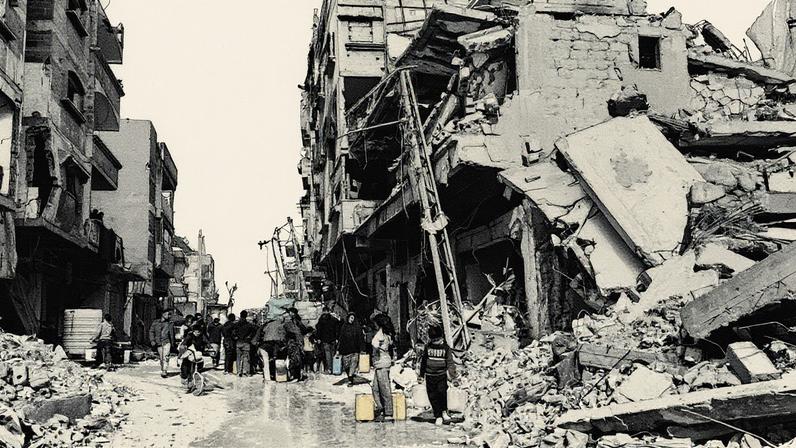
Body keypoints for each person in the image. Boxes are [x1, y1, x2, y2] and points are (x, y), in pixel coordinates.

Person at [418, 325, 457, 425]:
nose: (436, 342)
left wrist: (453, 377)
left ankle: (444, 411)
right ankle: (438, 415)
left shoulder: (446, 348)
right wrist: (421, 375)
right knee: (432, 396)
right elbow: (424, 361)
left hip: (441, 375)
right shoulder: (428, 347)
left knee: (442, 393)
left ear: (442, 338)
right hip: (430, 376)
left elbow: (450, 362)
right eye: (434, 340)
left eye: (438, 339)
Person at [370, 314, 395, 422]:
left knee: (384, 389)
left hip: (382, 364)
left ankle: (388, 413)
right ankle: (381, 408)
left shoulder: (382, 335)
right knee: (375, 388)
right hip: (379, 364)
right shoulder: (383, 334)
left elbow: (375, 344)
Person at [256, 315, 287, 381]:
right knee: (274, 361)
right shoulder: (281, 326)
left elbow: (263, 331)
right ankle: (275, 377)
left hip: (263, 347)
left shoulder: (269, 325)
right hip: (269, 346)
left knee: (266, 362)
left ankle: (267, 378)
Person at [337, 312, 363, 387]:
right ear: (348, 318)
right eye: (351, 318)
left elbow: (360, 338)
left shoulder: (357, 327)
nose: (352, 319)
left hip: (355, 349)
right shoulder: (344, 327)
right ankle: (350, 375)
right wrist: (338, 349)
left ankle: (350, 379)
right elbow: (341, 338)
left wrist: (362, 348)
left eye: (353, 318)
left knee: (353, 364)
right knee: (346, 365)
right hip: (345, 349)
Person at [149, 310, 176, 378]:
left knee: (166, 356)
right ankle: (163, 368)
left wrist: (173, 344)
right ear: (163, 314)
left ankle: (164, 370)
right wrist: (152, 340)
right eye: (167, 314)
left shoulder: (170, 323)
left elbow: (172, 334)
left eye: (170, 314)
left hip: (167, 342)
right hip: (159, 342)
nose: (169, 316)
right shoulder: (155, 322)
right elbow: (151, 332)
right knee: (161, 357)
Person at [315, 307, 340, 373]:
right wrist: (337, 338)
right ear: (329, 311)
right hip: (333, 339)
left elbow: (318, 330)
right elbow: (337, 329)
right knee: (333, 354)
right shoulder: (334, 319)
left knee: (327, 354)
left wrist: (318, 338)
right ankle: (334, 368)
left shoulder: (321, 320)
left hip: (325, 339)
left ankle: (329, 369)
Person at [234, 310, 257, 377]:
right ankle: (246, 372)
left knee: (238, 358)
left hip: (238, 342)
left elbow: (233, 333)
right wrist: (249, 337)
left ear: (240, 315)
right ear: (246, 316)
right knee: (246, 358)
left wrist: (235, 337)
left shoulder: (236, 324)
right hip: (246, 343)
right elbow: (254, 331)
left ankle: (238, 372)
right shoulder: (249, 325)